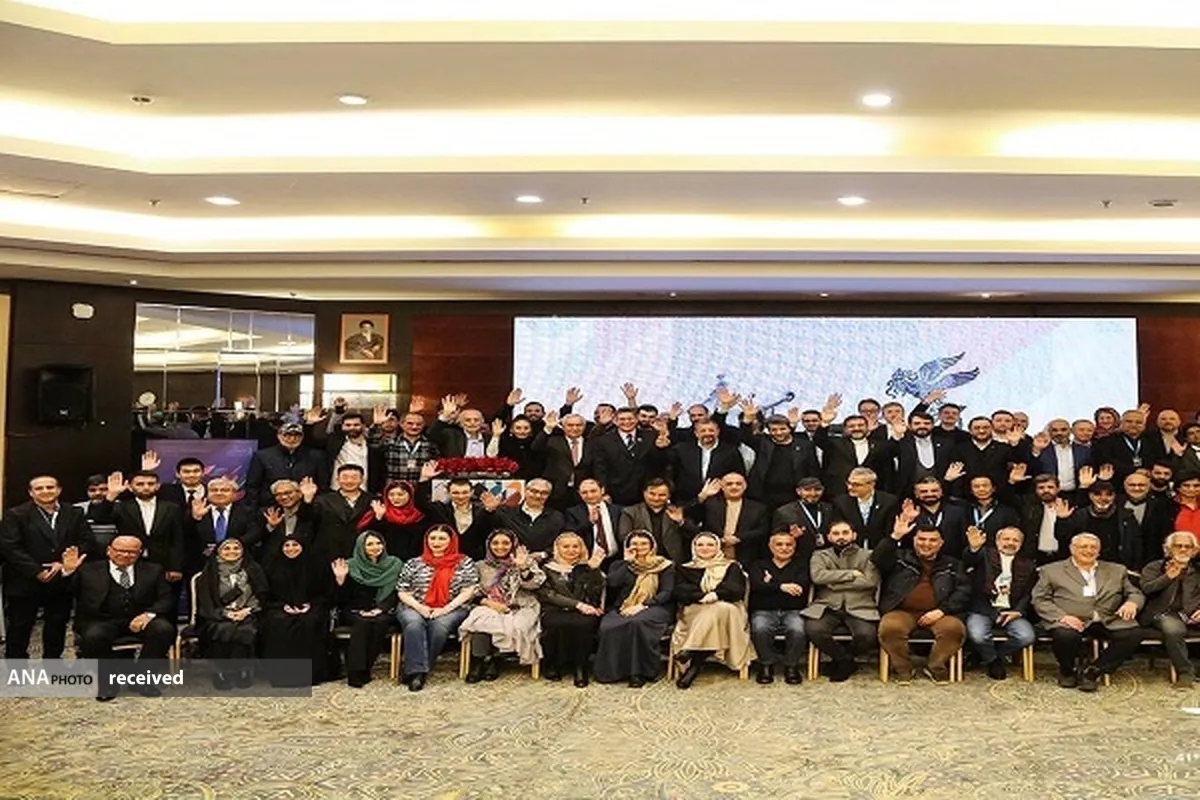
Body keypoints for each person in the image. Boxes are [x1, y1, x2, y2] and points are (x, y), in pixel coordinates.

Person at [1032, 533, 1146, 691]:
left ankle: (1094, 671)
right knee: (1065, 635)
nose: (1088, 550)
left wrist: (1132, 603)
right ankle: (1067, 671)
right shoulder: (1051, 570)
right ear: (1072, 549)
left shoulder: (1116, 570)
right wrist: (1062, 617)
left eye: (1093, 547)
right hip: (1070, 619)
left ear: (1099, 551)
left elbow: (1135, 593)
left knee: (1134, 634)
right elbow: (1039, 599)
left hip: (1107, 618)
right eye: (1083, 546)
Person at [0, 475, 94, 659]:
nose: (45, 491)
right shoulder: (15, 514)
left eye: (50, 487)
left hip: (62, 578)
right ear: (31, 492)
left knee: (57, 626)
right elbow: (9, 547)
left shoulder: (74, 513)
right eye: (39, 488)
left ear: (58, 490)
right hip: (24, 580)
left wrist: (64, 563)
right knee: (19, 627)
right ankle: (15, 668)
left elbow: (87, 541)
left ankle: (52, 666)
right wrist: (36, 571)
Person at [73, 535, 176, 701]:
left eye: (132, 552)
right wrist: (67, 572)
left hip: (139, 618)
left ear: (140, 553)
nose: (126, 555)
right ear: (109, 551)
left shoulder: (153, 570)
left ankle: (142, 679)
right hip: (102, 619)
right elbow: (65, 593)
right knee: (94, 635)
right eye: (120, 551)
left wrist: (149, 615)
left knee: (163, 629)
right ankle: (108, 683)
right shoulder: (88, 570)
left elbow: (165, 599)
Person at [874, 513, 970, 684]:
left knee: (954, 629)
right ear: (914, 540)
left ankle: (935, 666)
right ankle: (903, 669)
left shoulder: (953, 564)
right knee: (890, 627)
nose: (926, 544)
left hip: (940, 613)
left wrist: (942, 610)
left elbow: (964, 591)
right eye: (922, 539)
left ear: (941, 543)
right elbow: (877, 559)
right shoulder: (900, 558)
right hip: (902, 611)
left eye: (933, 540)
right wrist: (895, 536)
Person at [394, 525, 479, 691]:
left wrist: (445, 609)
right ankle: (418, 672)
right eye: (432, 538)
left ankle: (416, 670)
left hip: (453, 607)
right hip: (414, 605)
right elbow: (402, 591)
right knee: (414, 624)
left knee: (439, 625)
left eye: (442, 539)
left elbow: (468, 591)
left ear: (451, 541)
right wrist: (420, 607)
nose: (436, 542)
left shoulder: (465, 563)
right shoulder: (414, 563)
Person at [460, 530, 547, 682]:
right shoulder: (480, 565)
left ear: (513, 545)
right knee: (480, 620)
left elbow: (535, 585)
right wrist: (489, 603)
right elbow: (470, 590)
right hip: (490, 604)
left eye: (506, 543)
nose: (500, 547)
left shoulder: (527, 562)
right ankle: (479, 661)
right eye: (495, 543)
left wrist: (523, 568)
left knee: (514, 624)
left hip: (521, 606)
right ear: (489, 545)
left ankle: (496, 659)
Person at [671, 532, 754, 688]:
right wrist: (701, 597)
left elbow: (736, 589)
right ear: (694, 547)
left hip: (729, 608)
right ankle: (696, 663)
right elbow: (680, 591)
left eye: (710, 545)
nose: (705, 548)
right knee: (714, 611)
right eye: (700, 545)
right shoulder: (685, 568)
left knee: (718, 608)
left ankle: (692, 655)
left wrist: (716, 595)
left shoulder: (732, 566)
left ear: (718, 547)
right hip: (696, 608)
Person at [594, 531, 675, 687]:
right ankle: (614, 672)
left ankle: (639, 673)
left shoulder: (665, 565)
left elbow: (667, 592)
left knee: (637, 623)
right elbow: (612, 584)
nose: (639, 547)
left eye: (644, 543)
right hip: (624, 606)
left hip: (656, 606)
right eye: (634, 544)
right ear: (627, 546)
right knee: (609, 626)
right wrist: (627, 563)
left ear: (652, 546)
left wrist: (643, 605)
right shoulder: (619, 565)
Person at [803, 520, 881, 682]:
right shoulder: (820, 555)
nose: (841, 537)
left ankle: (842, 661)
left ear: (854, 535)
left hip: (860, 606)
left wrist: (832, 583)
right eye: (836, 533)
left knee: (866, 635)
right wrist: (851, 574)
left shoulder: (869, 555)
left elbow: (870, 581)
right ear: (829, 537)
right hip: (827, 605)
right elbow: (818, 577)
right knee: (814, 630)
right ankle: (845, 661)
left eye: (845, 533)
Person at [962, 525, 1037, 680]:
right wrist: (974, 548)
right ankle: (994, 661)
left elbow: (1029, 593)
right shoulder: (984, 555)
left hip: (1011, 611)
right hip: (983, 609)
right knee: (978, 636)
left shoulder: (1028, 564)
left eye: (1015, 540)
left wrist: (1018, 611)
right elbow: (969, 559)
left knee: (1026, 637)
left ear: (1021, 544)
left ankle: (987, 654)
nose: (1010, 543)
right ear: (997, 541)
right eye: (1006, 539)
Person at [332, 531, 402, 688]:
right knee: (362, 623)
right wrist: (340, 580)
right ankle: (355, 672)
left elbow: (396, 592)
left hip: (383, 610)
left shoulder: (394, 564)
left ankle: (366, 668)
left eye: (378, 543)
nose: (375, 547)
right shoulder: (350, 565)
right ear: (360, 547)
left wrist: (380, 609)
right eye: (369, 544)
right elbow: (340, 599)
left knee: (379, 622)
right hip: (354, 609)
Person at [261, 536, 334, 686]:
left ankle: (312, 673)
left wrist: (310, 605)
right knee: (279, 623)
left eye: (295, 545)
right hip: (280, 607)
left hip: (312, 606)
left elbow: (325, 593)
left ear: (303, 547)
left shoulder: (315, 566)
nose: (291, 548)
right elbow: (266, 596)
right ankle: (282, 674)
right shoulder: (272, 567)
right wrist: (283, 606)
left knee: (310, 622)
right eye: (286, 545)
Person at [195, 538, 267, 689]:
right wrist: (225, 613)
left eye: (236, 548)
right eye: (227, 549)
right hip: (216, 616)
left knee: (245, 630)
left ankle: (243, 670)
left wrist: (247, 611)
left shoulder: (254, 570)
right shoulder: (208, 575)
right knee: (224, 629)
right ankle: (221, 672)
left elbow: (262, 595)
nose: (232, 552)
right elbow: (206, 604)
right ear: (218, 552)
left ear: (243, 551)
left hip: (249, 613)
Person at [538, 533, 606, 686]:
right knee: (554, 624)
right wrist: (577, 605)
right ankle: (553, 665)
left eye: (575, 546)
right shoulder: (547, 568)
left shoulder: (587, 566)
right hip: (555, 608)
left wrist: (594, 570)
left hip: (585, 610)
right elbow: (548, 594)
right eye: (566, 546)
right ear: (557, 548)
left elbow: (595, 593)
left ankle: (580, 667)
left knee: (583, 625)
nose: (571, 550)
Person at [1138, 531, 1200, 687]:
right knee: (1174, 629)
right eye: (1178, 546)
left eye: (1187, 546)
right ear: (1169, 549)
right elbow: (1145, 589)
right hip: (1161, 613)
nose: (1183, 549)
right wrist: (1168, 577)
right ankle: (1185, 672)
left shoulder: (1197, 570)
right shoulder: (1154, 567)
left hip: (1191, 612)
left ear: (1194, 550)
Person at [749, 530, 812, 684]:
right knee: (760, 628)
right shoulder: (759, 565)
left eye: (789, 544)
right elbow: (757, 586)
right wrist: (782, 586)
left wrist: (770, 584)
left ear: (794, 547)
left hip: (794, 610)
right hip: (764, 611)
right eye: (779, 544)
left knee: (798, 630)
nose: (784, 548)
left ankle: (791, 666)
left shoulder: (802, 565)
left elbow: (801, 587)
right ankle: (766, 665)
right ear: (771, 547)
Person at [739, 403, 820, 510]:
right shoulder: (763, 442)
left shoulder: (805, 445)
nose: (778, 433)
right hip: (764, 495)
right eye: (774, 430)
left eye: (782, 429)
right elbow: (745, 436)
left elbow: (813, 470)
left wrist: (810, 491)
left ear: (789, 429)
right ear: (769, 431)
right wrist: (747, 420)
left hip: (794, 496)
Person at [658, 418, 746, 503]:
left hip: (718, 501)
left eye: (711, 430)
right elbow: (667, 468)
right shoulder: (681, 449)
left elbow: (739, 475)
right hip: (686, 500)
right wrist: (661, 449)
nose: (707, 433)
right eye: (703, 431)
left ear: (718, 432)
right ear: (696, 433)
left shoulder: (730, 451)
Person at [245, 422, 329, 508]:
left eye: (297, 435)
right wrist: (254, 511)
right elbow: (252, 487)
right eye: (287, 435)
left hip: (306, 508)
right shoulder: (262, 456)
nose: (292, 439)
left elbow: (323, 487)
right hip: (271, 508)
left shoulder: (317, 457)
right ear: (279, 436)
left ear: (302, 437)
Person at [689, 473, 771, 562]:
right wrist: (702, 497)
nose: (734, 487)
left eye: (738, 484)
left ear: (745, 486)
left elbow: (762, 531)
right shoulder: (709, 504)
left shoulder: (758, 508)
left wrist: (739, 538)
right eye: (729, 484)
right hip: (712, 559)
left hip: (747, 558)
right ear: (722, 487)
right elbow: (689, 516)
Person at [415, 467, 492, 560]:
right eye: (456, 493)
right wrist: (424, 479)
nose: (461, 496)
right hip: (446, 559)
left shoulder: (482, 511)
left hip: (476, 560)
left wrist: (491, 510)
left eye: (465, 492)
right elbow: (420, 503)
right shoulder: (440, 509)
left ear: (472, 492)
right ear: (448, 493)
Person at [590, 407, 660, 506]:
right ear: (615, 421)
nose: (627, 422)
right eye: (622, 419)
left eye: (630, 419)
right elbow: (600, 469)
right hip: (616, 494)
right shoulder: (604, 441)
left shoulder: (651, 436)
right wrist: (604, 493)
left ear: (636, 419)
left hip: (646, 493)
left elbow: (659, 462)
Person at [480, 478, 565, 555]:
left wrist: (544, 554)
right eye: (534, 491)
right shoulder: (506, 512)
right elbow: (483, 530)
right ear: (525, 491)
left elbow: (561, 541)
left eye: (544, 493)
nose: (538, 496)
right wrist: (489, 510)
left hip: (544, 562)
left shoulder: (556, 517)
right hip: (509, 561)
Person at [617, 478, 689, 563]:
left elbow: (692, 535)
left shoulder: (676, 511)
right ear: (644, 493)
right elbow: (624, 537)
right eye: (652, 494)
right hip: (641, 561)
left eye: (662, 495)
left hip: (671, 562)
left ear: (669, 495)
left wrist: (681, 521)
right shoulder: (630, 512)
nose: (656, 498)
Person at [310, 466, 373, 561]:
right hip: (329, 553)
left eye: (354, 477)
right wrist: (307, 500)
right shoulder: (323, 500)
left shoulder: (372, 500)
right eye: (345, 477)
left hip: (361, 554)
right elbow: (309, 520)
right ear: (337, 480)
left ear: (362, 480)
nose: (349, 481)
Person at [831, 467, 899, 548]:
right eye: (848, 483)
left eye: (856, 485)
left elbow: (889, 531)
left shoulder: (888, 501)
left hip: (880, 549)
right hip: (851, 550)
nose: (850, 487)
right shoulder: (841, 503)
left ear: (871, 485)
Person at [359, 480, 426, 560]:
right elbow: (367, 537)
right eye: (391, 495)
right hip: (385, 561)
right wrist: (378, 517)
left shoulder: (419, 515)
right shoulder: (380, 512)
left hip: (412, 562)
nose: (396, 498)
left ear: (410, 495)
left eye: (400, 494)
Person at [563, 478, 623, 563]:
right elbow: (570, 535)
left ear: (602, 490)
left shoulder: (618, 510)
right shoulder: (573, 512)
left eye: (593, 491)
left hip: (616, 559)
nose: (589, 495)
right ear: (579, 494)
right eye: (584, 492)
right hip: (587, 560)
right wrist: (589, 522)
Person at [772, 477, 834, 545]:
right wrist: (790, 536)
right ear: (798, 491)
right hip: (800, 550)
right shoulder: (784, 512)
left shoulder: (829, 508)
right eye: (807, 490)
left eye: (817, 489)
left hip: (827, 550)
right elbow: (776, 540)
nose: (813, 493)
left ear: (823, 490)